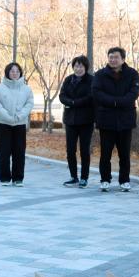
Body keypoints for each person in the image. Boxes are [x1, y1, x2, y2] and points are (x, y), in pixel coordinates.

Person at [92, 46, 139, 192]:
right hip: (106, 120)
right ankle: (105, 179)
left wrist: (117, 102)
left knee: (124, 153)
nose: (113, 60)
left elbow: (134, 93)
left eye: (116, 57)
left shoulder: (132, 74)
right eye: (111, 57)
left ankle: (124, 180)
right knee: (105, 154)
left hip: (125, 120)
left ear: (123, 59)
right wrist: (114, 102)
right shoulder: (100, 74)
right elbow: (97, 93)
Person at [0, 62, 34, 187]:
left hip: (19, 124)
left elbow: (29, 103)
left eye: (17, 71)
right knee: (4, 151)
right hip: (4, 124)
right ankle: (5, 178)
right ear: (7, 73)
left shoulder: (27, 89)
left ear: (20, 73)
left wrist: (20, 116)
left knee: (19, 152)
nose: (14, 73)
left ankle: (18, 178)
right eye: (12, 71)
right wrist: (8, 117)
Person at [59, 55, 95, 188]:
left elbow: (91, 97)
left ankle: (84, 178)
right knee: (70, 150)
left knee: (84, 150)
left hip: (86, 120)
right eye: (76, 66)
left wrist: (74, 103)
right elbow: (62, 96)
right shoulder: (68, 80)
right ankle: (73, 176)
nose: (78, 68)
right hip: (70, 120)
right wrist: (71, 102)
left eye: (81, 66)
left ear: (85, 67)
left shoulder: (91, 80)